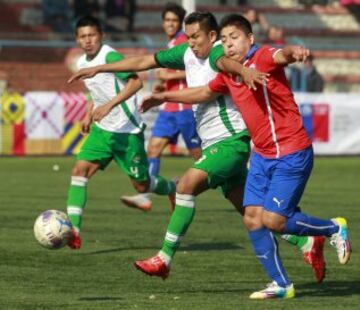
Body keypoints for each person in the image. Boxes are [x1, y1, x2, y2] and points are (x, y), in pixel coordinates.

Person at [68, 12, 327, 284]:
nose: (191, 42)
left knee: (185, 185)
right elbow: (145, 61)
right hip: (214, 144)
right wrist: (98, 69)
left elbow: (225, 63)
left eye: (196, 37)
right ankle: (307, 243)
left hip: (231, 143)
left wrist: (244, 70)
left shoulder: (217, 53)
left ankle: (164, 258)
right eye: (188, 37)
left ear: (212, 36)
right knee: (252, 213)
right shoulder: (187, 53)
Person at [139, 14, 351, 299]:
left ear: (250, 39)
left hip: (291, 151)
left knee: (274, 220)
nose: (228, 45)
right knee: (252, 218)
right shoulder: (228, 74)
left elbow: (281, 55)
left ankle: (332, 227)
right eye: (224, 40)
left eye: (234, 38)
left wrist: (294, 52)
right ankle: (281, 284)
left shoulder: (261, 57)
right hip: (263, 155)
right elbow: (203, 92)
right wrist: (164, 98)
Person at [66, 15, 176, 250]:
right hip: (102, 130)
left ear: (101, 36)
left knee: (141, 185)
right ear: (77, 39)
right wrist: (88, 114)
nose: (88, 40)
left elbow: (135, 83)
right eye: (83, 36)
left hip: (126, 130)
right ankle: (74, 231)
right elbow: (94, 91)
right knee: (79, 171)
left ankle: (172, 188)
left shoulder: (110, 56)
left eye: (92, 35)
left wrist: (109, 106)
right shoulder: (82, 63)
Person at [120, 3, 202, 212]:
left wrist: (169, 75)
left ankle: (183, 186)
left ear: (181, 24)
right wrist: (162, 84)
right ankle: (145, 196)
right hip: (170, 108)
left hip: (185, 106)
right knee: (154, 148)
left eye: (174, 21)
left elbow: (198, 70)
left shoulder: (185, 41)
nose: (170, 24)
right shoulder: (171, 43)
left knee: (200, 157)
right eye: (167, 20)